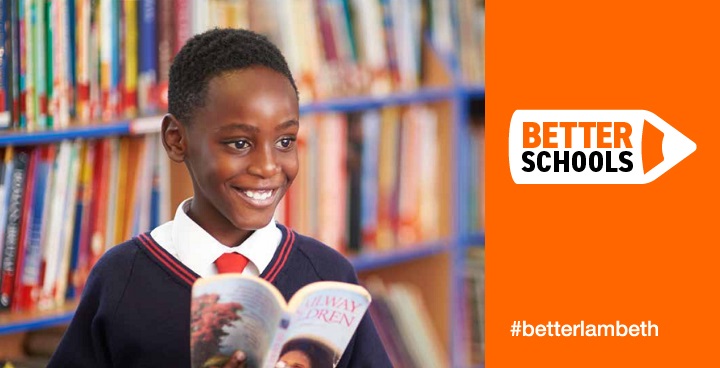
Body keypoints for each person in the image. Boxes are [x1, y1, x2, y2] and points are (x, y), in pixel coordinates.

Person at [48, 28, 391, 367]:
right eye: (240, 143)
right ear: (176, 140)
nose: (268, 167)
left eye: (285, 141)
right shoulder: (121, 279)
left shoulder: (328, 276)